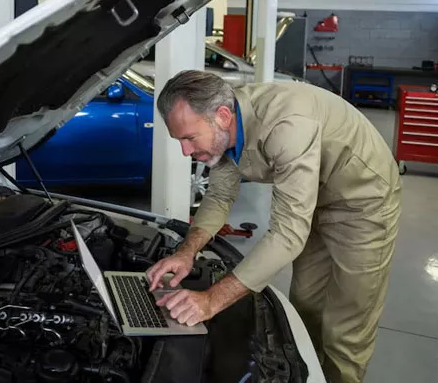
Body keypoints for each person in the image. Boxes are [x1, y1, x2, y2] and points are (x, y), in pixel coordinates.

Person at [145, 70, 401, 383]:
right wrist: (187, 251)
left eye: (189, 138)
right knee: (306, 304)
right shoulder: (224, 131)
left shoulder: (286, 125)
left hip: (363, 201)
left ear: (222, 116)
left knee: (346, 327)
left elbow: (288, 234)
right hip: (314, 199)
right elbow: (219, 197)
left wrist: (211, 300)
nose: (186, 152)